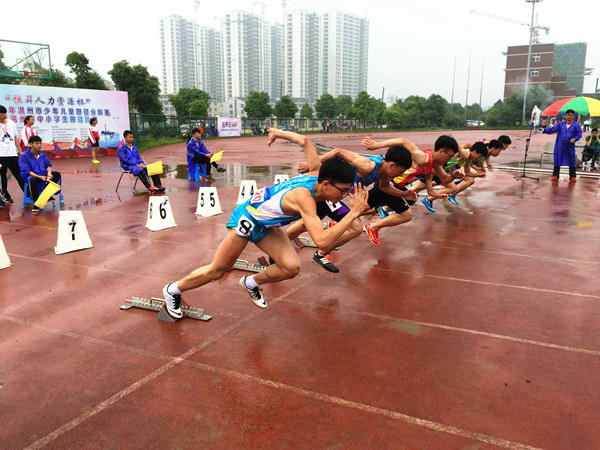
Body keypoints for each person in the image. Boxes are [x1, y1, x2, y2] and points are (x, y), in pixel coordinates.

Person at [161, 130, 370, 319]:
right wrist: (353, 213)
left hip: (267, 225)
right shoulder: (304, 198)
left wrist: (276, 132)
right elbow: (322, 242)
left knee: (291, 267)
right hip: (248, 219)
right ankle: (173, 290)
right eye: (343, 190)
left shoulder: (317, 172)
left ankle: (250, 282)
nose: (345, 195)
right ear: (326, 184)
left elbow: (305, 141)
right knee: (218, 270)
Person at [416, 141, 489, 212]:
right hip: (437, 169)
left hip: (441, 171)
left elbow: (467, 173)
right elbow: (461, 147)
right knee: (451, 187)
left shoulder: (468, 159)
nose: (478, 159)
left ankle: (427, 198)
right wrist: (452, 141)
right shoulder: (466, 154)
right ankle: (427, 199)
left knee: (450, 187)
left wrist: (478, 175)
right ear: (475, 151)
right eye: (479, 156)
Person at [18, 136, 61, 213]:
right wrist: (40, 177)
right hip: (30, 175)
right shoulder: (24, 156)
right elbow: (27, 171)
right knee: (32, 179)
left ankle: (46, 195)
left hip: (42, 173)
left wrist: (49, 173)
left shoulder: (42, 154)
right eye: (37, 143)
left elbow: (48, 165)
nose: (39, 145)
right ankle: (36, 203)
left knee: (56, 174)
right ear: (30, 144)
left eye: (40, 143)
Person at [542, 109, 582, 182]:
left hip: (570, 146)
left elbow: (579, 134)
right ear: (565, 116)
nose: (569, 117)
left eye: (570, 115)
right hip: (559, 146)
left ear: (573, 116)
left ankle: (572, 176)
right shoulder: (560, 124)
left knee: (571, 160)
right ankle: (555, 175)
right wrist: (544, 130)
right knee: (557, 159)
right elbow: (552, 129)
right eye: (567, 115)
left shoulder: (576, 125)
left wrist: (575, 139)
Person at [0, 105, 25, 203]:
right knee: (2, 176)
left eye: (5, 114)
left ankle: (28, 193)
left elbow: (15, 138)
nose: (4, 116)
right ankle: (5, 195)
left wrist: (19, 151)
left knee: (19, 174)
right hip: (1, 155)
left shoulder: (11, 123)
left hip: (13, 154)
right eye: (2, 115)